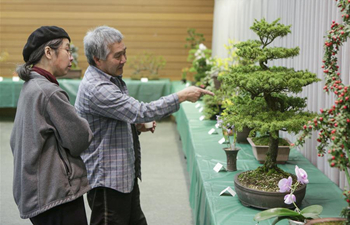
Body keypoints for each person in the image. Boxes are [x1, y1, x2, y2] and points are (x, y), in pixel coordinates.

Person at [75, 25, 214, 225]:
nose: (124, 60)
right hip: (108, 181)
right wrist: (181, 96)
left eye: (125, 53)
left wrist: (134, 126)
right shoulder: (97, 87)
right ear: (98, 59)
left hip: (122, 176)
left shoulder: (110, 78)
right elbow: (140, 111)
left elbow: (120, 116)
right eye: (118, 56)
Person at [10, 26, 93, 225]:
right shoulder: (49, 92)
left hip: (35, 191)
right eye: (67, 49)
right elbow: (80, 139)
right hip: (55, 195)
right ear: (48, 52)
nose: (72, 57)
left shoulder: (31, 85)